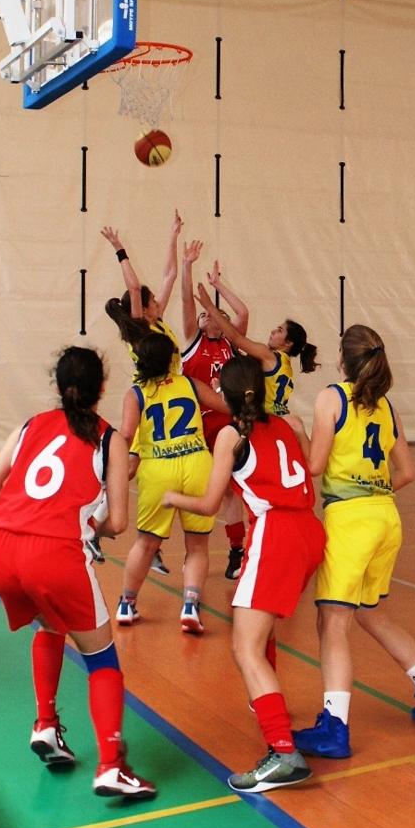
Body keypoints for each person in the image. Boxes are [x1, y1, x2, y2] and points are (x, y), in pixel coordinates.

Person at [0, 347, 156, 798]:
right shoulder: (109, 439)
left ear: (58, 386)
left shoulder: (30, 425)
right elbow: (119, 522)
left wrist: (16, 526)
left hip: (1, 547)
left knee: (51, 623)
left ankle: (46, 724)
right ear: (102, 388)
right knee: (102, 659)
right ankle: (112, 765)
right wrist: (91, 527)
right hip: (54, 554)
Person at [290, 325, 415, 760]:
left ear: (343, 359)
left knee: (332, 623)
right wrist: (372, 491)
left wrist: (297, 430)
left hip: (351, 521)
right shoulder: (387, 406)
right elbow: (407, 472)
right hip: (386, 517)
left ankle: (334, 727)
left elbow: (314, 465)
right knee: (372, 614)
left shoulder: (332, 398)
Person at [163, 355, 325, 793]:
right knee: (258, 625)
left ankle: (283, 752)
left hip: (277, 534)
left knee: (244, 645)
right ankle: (265, 704)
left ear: (225, 395)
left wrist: (173, 497)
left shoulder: (232, 434)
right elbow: (309, 467)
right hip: (309, 530)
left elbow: (209, 505)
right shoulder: (286, 423)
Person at [115, 331, 229, 634]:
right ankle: (190, 605)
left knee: (146, 542)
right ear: (171, 359)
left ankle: (127, 603)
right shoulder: (189, 383)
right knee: (198, 545)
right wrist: (221, 388)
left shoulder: (136, 393)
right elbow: (225, 406)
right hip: (196, 463)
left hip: (158, 468)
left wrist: (114, 466)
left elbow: (126, 435)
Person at [100, 211, 184, 574]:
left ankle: (101, 523)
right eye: (153, 301)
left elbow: (170, 276)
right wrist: (119, 248)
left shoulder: (158, 322)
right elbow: (135, 288)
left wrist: (173, 235)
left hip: (170, 397)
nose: (158, 302)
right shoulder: (140, 329)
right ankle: (97, 517)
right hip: (152, 401)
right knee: (140, 468)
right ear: (144, 307)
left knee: (140, 468)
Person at [180, 244, 249, 580]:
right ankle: (191, 551)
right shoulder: (193, 341)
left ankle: (237, 550)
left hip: (228, 428)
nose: (207, 317)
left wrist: (219, 288)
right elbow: (186, 302)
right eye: (204, 314)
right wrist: (187, 265)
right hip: (197, 428)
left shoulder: (230, 343)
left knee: (230, 491)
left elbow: (243, 313)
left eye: (213, 315)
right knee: (199, 492)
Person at [195, 282, 318, 416]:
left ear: (288, 343)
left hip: (265, 418)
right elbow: (243, 313)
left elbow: (236, 337)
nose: (272, 331)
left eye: (279, 330)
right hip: (280, 417)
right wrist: (217, 284)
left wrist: (210, 306)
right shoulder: (286, 365)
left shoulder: (269, 355)